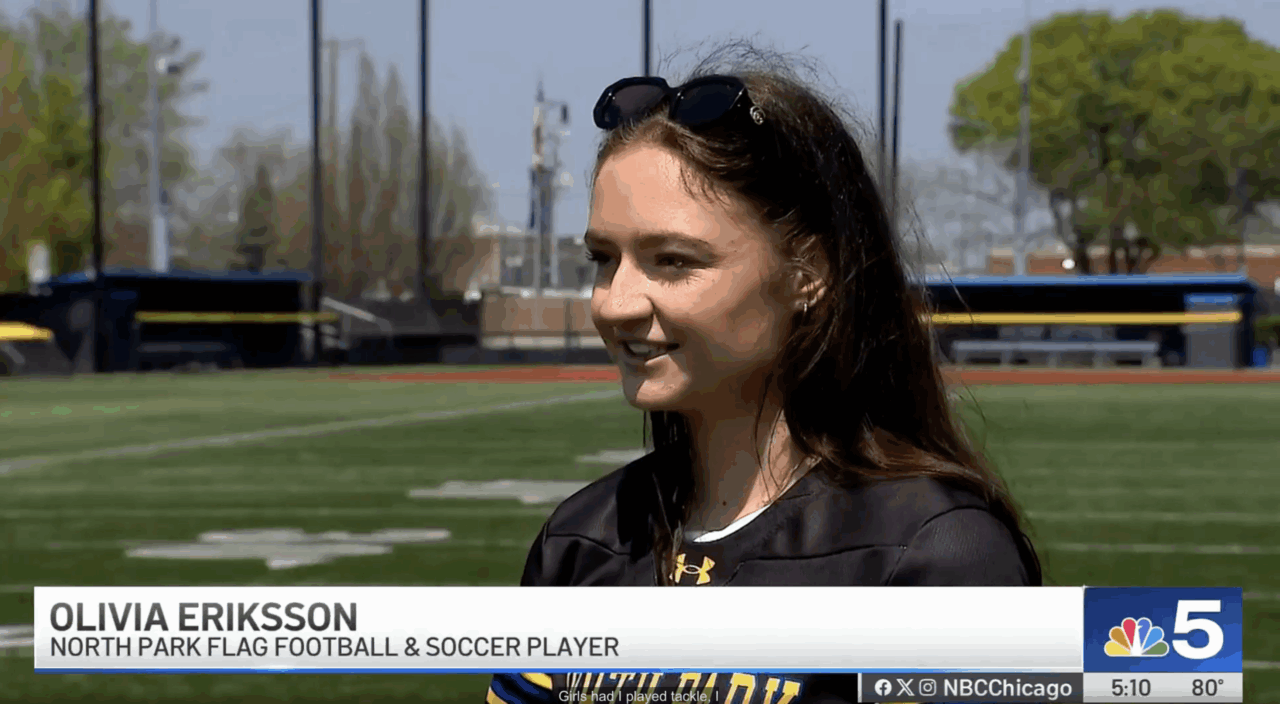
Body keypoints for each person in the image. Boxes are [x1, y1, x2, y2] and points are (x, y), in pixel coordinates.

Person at [487, 45, 1042, 704]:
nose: (615, 302)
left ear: (808, 275)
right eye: (603, 260)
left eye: (673, 260)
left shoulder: (934, 554)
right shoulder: (580, 543)